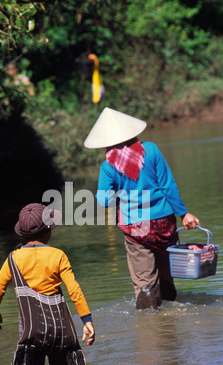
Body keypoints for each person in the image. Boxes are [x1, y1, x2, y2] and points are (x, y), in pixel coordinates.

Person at [84, 107, 200, 310]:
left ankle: (151, 326)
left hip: (136, 227)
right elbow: (167, 185)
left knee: (144, 279)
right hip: (164, 221)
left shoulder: (108, 166)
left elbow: (104, 201)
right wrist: (184, 213)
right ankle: (170, 321)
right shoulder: (151, 150)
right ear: (132, 132)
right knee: (166, 274)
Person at [0, 203, 95, 365]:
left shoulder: (14, 258)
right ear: (48, 231)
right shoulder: (58, 255)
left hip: (30, 332)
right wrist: (87, 320)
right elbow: (74, 290)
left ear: (22, 234)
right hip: (59, 330)